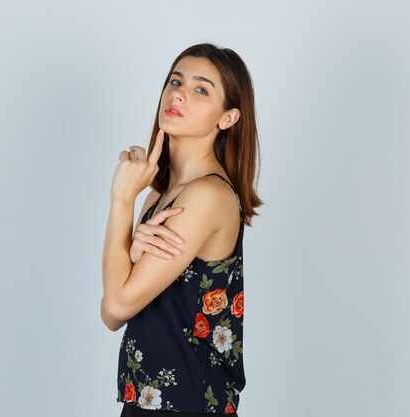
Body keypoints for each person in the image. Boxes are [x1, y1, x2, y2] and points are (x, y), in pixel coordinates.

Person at [101, 43, 263, 416]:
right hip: (145, 402)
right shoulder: (158, 198)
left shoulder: (207, 195)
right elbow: (111, 316)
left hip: (188, 404)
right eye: (175, 81)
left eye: (201, 89)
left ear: (228, 118)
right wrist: (131, 250)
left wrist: (121, 199)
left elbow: (117, 303)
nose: (178, 93)